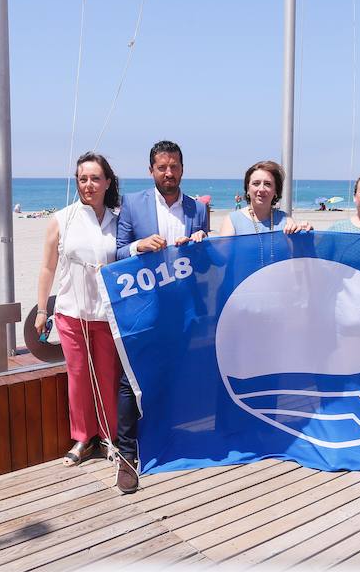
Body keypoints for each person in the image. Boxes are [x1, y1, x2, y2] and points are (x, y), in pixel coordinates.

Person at [114, 140, 209, 493]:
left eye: (174, 167)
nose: (168, 173)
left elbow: (207, 259)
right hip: (141, 309)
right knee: (130, 380)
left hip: (182, 309)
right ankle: (126, 456)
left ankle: (167, 437)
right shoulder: (132, 204)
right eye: (162, 167)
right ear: (151, 170)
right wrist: (138, 247)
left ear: (183, 168)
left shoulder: (197, 208)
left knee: (175, 373)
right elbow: (116, 254)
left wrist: (203, 241)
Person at [34, 152, 123, 467]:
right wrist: (43, 309)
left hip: (108, 315)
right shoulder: (62, 218)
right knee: (79, 376)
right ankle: (84, 438)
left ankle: (110, 437)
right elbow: (47, 267)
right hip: (71, 313)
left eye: (96, 178)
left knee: (109, 377)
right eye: (83, 178)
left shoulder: (119, 220)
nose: (89, 184)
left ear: (107, 181)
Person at [218, 160, 311, 236]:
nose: (261, 189)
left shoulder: (285, 220)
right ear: (248, 189)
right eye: (256, 183)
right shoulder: (232, 221)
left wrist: (306, 234)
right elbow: (221, 256)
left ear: (275, 190)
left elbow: (297, 254)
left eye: (267, 184)